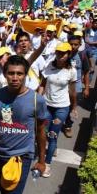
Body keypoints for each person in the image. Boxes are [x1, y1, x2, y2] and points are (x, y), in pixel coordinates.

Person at [0, 55, 47, 194]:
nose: (15, 77)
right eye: (11, 73)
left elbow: (41, 131)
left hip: (21, 157)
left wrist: (42, 161)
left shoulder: (37, 100)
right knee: (4, 190)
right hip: (0, 154)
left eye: (19, 73)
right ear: (4, 74)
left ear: (25, 75)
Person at [38, 42, 77, 178]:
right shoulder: (49, 66)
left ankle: (46, 164)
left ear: (68, 54)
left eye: (63, 53)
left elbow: (72, 92)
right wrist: (38, 99)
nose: (60, 55)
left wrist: (74, 107)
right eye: (58, 52)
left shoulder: (72, 71)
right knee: (43, 133)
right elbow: (42, 84)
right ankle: (46, 152)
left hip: (61, 108)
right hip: (47, 106)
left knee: (53, 136)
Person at [62, 35, 90, 138]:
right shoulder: (62, 54)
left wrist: (86, 88)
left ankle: (68, 126)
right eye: (71, 44)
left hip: (76, 87)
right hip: (63, 86)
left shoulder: (82, 56)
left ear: (79, 45)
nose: (73, 46)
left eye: (76, 44)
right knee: (61, 107)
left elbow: (86, 72)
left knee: (72, 107)